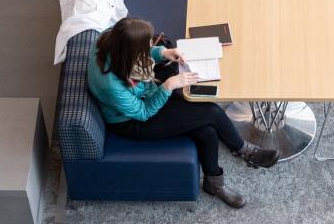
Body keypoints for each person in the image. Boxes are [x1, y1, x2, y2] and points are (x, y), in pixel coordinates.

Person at [87, 17, 280, 209]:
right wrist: (168, 86)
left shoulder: (112, 38)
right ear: (130, 51)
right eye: (145, 44)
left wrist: (163, 52)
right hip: (132, 120)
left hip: (146, 94)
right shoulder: (111, 85)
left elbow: (142, 53)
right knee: (211, 112)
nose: (149, 45)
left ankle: (214, 184)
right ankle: (247, 153)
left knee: (207, 130)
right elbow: (143, 112)